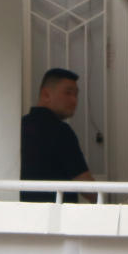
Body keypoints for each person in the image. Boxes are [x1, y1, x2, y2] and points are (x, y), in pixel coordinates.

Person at [21, 68, 95, 202]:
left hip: (22, 213)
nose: (74, 100)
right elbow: (86, 186)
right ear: (46, 95)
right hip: (57, 217)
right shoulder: (61, 132)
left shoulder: (20, 126)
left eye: (76, 94)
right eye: (68, 93)